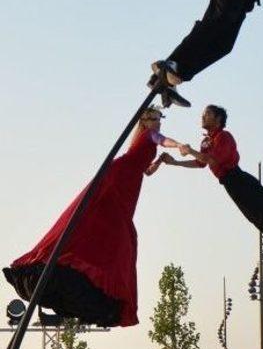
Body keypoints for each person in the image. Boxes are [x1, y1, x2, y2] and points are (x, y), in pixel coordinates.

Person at [3, 107, 185, 326]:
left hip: (129, 179)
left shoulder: (144, 140)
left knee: (110, 227)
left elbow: (145, 171)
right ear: (144, 122)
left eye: (159, 119)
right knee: (113, 225)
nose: (157, 123)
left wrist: (159, 162)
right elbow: (163, 140)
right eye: (153, 119)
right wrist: (180, 146)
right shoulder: (149, 135)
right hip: (119, 178)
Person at [153, 104, 263, 272]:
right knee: (260, 222)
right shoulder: (206, 141)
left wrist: (190, 151)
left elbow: (212, 160)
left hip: (240, 180)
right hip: (231, 186)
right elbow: (200, 163)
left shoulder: (224, 137)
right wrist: (174, 162)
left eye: (207, 114)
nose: (202, 117)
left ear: (218, 119)